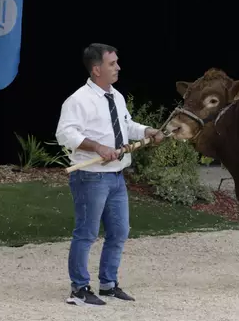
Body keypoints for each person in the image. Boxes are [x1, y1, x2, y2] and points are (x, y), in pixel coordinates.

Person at [56, 43, 165, 306]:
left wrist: (147, 131)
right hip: (90, 176)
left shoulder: (115, 96)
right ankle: (79, 289)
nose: (118, 67)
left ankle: (108, 283)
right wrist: (97, 147)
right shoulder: (78, 100)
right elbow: (65, 134)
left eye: (116, 62)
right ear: (96, 69)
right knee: (87, 233)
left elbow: (126, 125)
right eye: (112, 63)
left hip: (116, 176)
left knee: (119, 231)